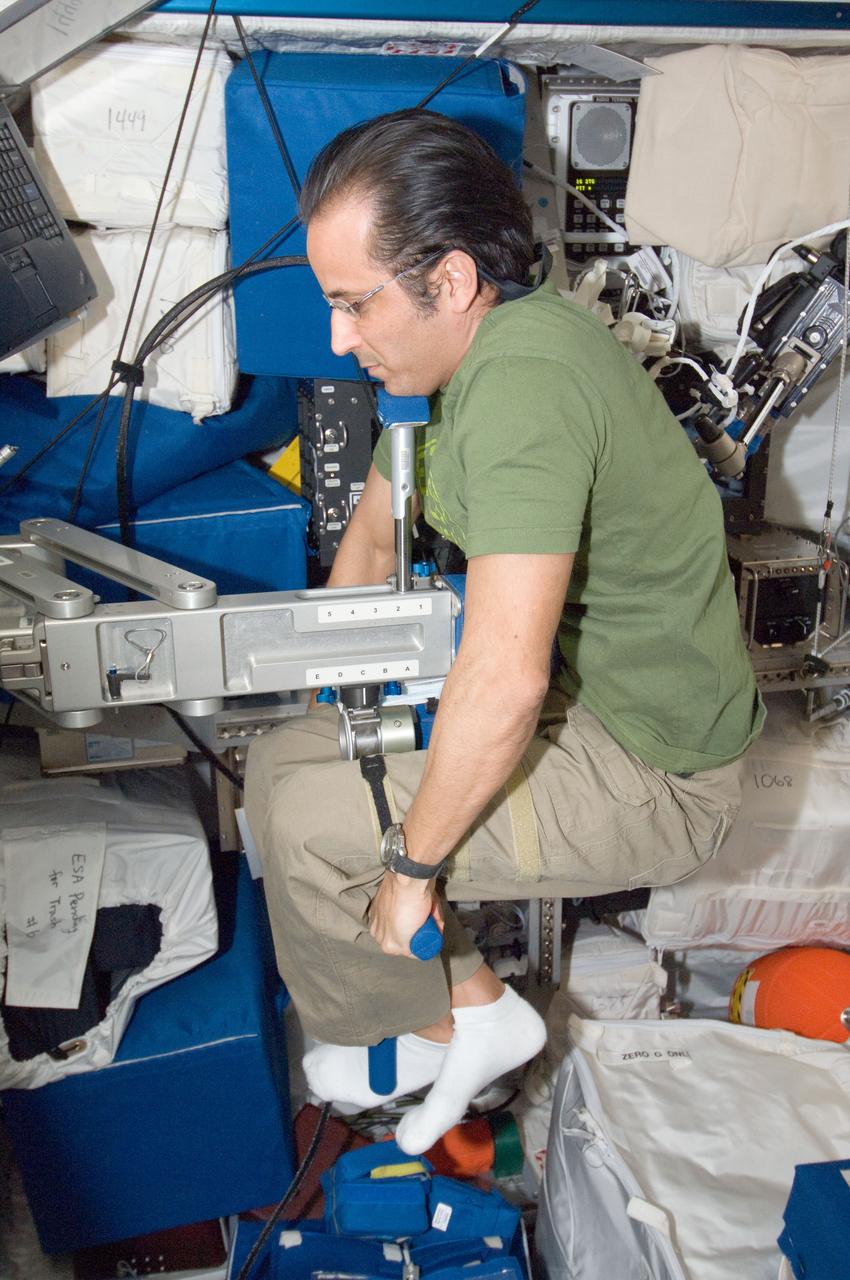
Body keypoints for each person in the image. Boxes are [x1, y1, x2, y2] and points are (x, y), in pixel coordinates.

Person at [244, 108, 764, 1156]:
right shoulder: (461, 360)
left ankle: (429, 1026)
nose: (340, 337)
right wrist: (335, 693)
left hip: (653, 768)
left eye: (354, 304)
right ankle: (474, 998)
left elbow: (504, 680)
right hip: (591, 705)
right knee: (279, 763)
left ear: (447, 279)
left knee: (313, 829)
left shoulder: (524, 386)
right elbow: (379, 533)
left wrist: (407, 875)